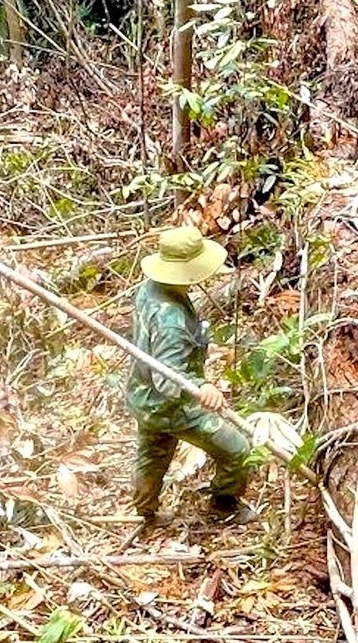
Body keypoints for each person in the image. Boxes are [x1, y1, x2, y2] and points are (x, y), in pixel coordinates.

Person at [125, 226, 256, 527]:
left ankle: (146, 512)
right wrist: (201, 386)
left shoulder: (150, 288)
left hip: (143, 396)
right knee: (237, 449)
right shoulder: (172, 321)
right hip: (171, 404)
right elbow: (168, 379)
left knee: (153, 452)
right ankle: (224, 504)